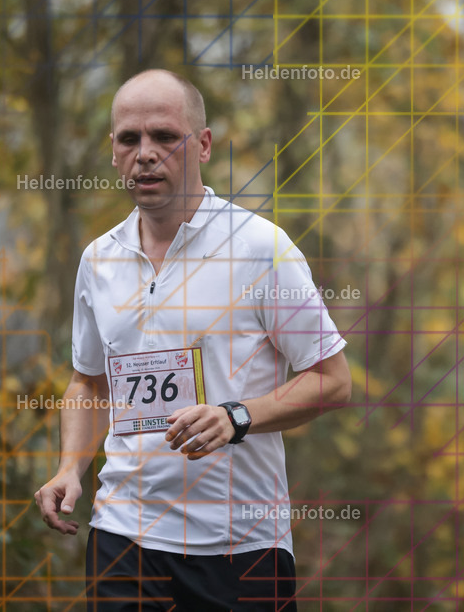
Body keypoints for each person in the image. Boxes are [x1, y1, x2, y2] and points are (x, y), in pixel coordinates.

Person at [34, 69, 351, 611]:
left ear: (202, 144)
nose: (145, 154)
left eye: (164, 136)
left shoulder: (260, 248)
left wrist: (236, 416)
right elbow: (89, 383)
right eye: (129, 139)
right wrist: (70, 467)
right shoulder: (98, 260)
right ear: (113, 151)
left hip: (241, 545)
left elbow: (332, 381)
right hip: (123, 534)